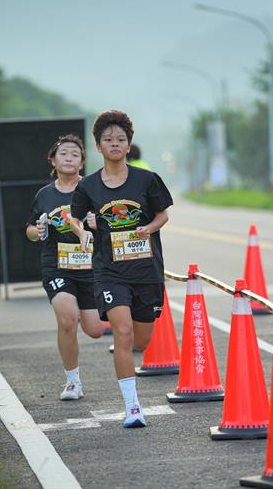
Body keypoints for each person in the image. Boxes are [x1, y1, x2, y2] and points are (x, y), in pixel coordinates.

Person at [71, 110, 173, 428]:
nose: (115, 143)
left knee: (141, 339)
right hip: (109, 270)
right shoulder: (88, 186)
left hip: (146, 270)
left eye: (121, 139)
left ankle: (133, 363)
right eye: (108, 139)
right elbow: (74, 217)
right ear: (98, 147)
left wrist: (148, 228)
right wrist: (83, 232)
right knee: (123, 333)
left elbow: (163, 215)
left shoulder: (147, 179)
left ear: (129, 145)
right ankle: (132, 408)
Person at [26, 134, 106, 401]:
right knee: (68, 318)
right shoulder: (44, 194)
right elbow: (29, 229)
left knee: (95, 329)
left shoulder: (93, 188)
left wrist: (97, 222)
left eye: (75, 154)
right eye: (64, 153)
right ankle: (73, 381)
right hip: (56, 265)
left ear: (82, 162)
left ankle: (87, 317)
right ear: (52, 159)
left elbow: (113, 223)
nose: (69, 158)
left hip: (90, 266)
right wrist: (37, 231)